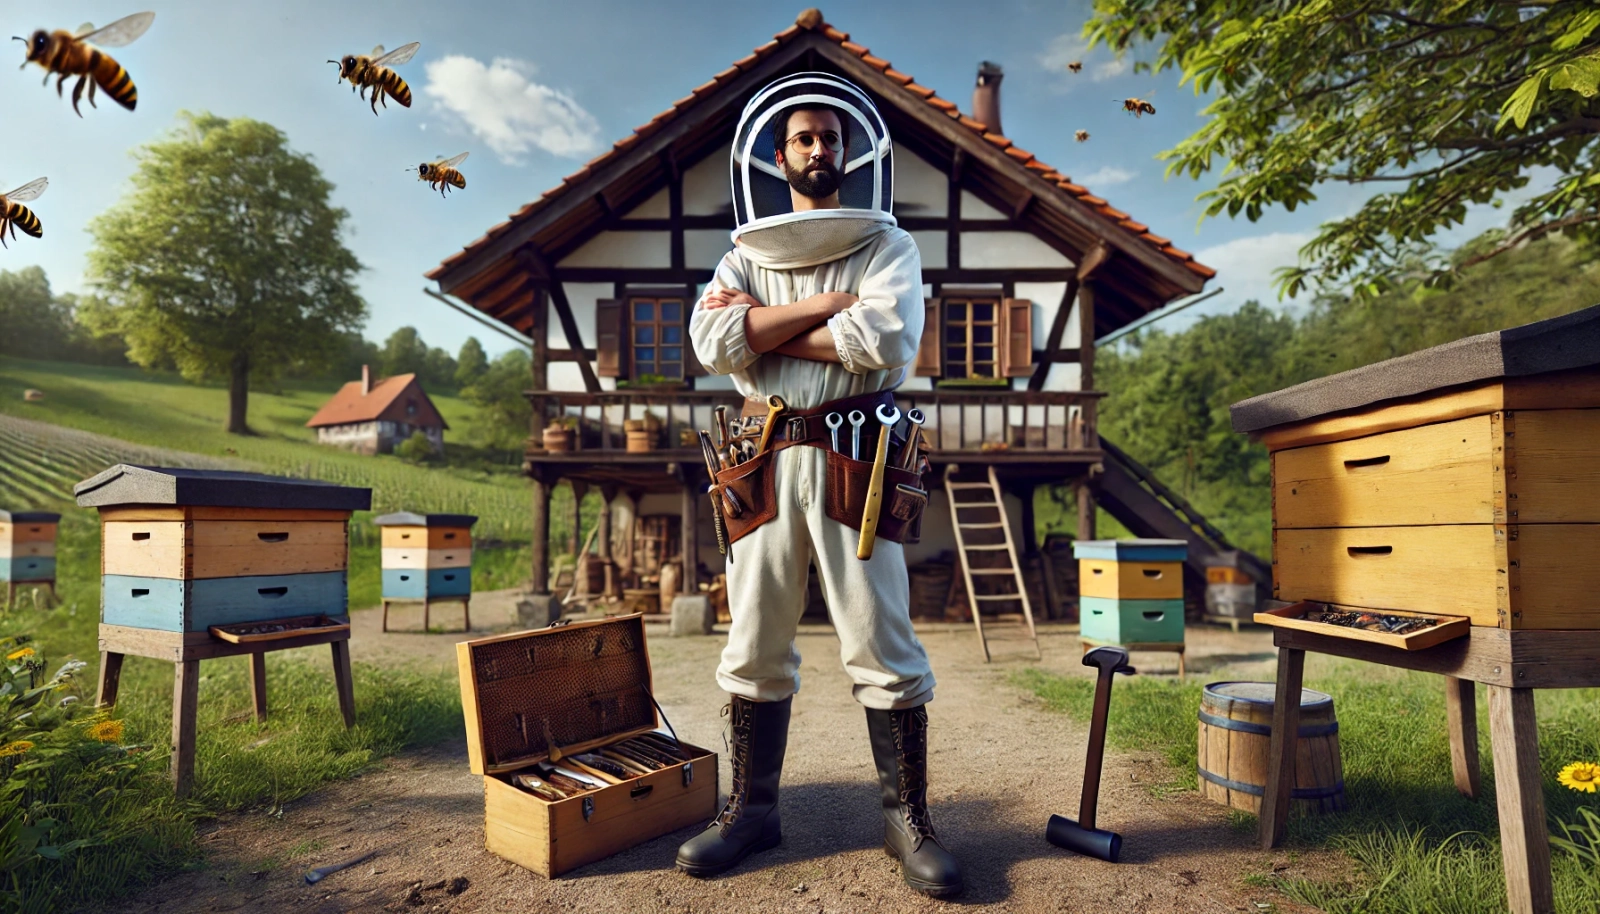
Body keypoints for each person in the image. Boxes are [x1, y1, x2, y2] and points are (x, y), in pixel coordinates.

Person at [677, 73, 962, 897]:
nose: (817, 149)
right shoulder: (744, 254)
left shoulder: (886, 245)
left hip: (855, 455)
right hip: (760, 458)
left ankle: (906, 817)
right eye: (803, 137)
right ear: (778, 154)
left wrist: (763, 335)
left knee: (881, 636)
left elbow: (881, 339)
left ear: (848, 151)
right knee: (754, 639)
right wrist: (824, 310)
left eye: (829, 138)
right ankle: (751, 811)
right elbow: (709, 340)